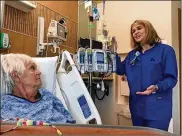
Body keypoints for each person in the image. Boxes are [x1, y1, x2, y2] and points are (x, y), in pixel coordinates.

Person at [115, 20, 178, 131]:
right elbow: (120, 69)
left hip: (158, 108)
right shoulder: (132, 55)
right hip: (137, 108)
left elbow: (171, 78)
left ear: (148, 29)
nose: (135, 32)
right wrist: (113, 53)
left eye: (139, 28)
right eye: (133, 31)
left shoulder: (165, 51)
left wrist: (157, 87)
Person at [1, 53, 76, 124]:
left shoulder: (46, 95)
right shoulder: (5, 104)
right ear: (16, 76)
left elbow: (70, 123)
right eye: (32, 68)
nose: (39, 72)